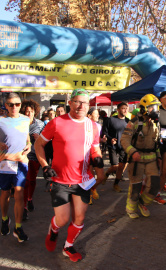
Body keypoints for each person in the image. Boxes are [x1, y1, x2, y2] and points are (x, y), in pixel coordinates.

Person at [34, 88, 104, 262]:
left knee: (80, 217)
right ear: (71, 102)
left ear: (89, 105)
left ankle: (68, 246)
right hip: (59, 179)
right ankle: (54, 229)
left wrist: (98, 158)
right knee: (63, 219)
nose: (80, 105)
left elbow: (95, 147)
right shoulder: (57, 122)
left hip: (83, 180)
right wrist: (45, 166)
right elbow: (38, 145)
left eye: (84, 102)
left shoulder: (94, 126)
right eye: (77, 101)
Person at [121, 94, 161, 218]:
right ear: (143, 108)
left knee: (154, 186)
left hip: (151, 160)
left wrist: (159, 157)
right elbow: (124, 140)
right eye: (151, 107)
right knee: (135, 187)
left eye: (156, 107)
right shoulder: (134, 123)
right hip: (136, 161)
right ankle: (131, 209)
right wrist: (133, 152)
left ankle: (142, 203)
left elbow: (156, 142)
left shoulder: (154, 124)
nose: (155, 110)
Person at [0, 93, 31, 242]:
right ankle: (5, 219)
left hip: (21, 162)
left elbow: (27, 138)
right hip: (4, 163)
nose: (14, 107)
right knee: (5, 194)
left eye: (17, 104)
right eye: (11, 104)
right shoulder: (1, 120)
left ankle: (18, 228)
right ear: (6, 106)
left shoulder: (26, 119)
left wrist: (29, 145)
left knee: (19, 193)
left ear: (20, 105)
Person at [20, 99, 45, 220]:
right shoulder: (19, 123)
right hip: (23, 156)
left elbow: (46, 141)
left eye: (31, 111)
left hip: (35, 155)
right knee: (26, 182)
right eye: (26, 111)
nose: (28, 113)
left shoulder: (40, 124)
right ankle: (24, 207)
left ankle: (29, 199)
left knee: (32, 181)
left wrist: (39, 138)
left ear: (35, 112)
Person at [102, 102, 129, 192]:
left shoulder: (128, 121)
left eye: (126, 108)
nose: (125, 110)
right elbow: (104, 133)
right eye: (123, 108)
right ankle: (106, 174)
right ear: (118, 110)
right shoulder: (110, 120)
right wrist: (110, 139)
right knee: (115, 166)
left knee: (121, 167)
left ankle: (116, 184)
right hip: (113, 146)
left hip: (124, 147)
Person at [87, 107, 107, 202]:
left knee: (101, 177)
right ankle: (88, 195)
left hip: (96, 152)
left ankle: (93, 188)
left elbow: (96, 139)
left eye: (98, 114)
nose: (98, 115)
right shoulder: (84, 125)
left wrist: (102, 140)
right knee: (90, 176)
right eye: (96, 113)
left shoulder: (98, 126)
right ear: (89, 115)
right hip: (86, 153)